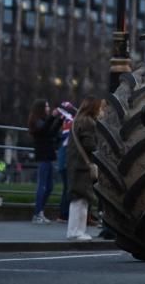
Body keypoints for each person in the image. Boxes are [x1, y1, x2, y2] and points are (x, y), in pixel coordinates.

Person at [66, 96, 102, 241]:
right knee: (82, 199)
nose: (100, 110)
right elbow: (89, 144)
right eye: (99, 108)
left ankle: (73, 231)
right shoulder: (88, 122)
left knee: (77, 199)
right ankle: (77, 231)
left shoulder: (77, 120)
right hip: (83, 165)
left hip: (75, 163)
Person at [27, 99, 62, 223]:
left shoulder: (42, 121)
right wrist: (53, 118)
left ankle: (40, 211)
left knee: (49, 186)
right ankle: (37, 213)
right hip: (43, 156)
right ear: (41, 108)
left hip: (48, 155)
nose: (48, 108)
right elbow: (43, 131)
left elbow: (50, 132)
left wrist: (60, 120)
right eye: (46, 106)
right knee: (42, 185)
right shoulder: (37, 122)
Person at [55, 101, 76, 222]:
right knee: (68, 188)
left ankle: (63, 214)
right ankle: (64, 214)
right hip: (67, 163)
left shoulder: (65, 124)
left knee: (66, 188)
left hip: (64, 162)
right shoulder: (69, 124)